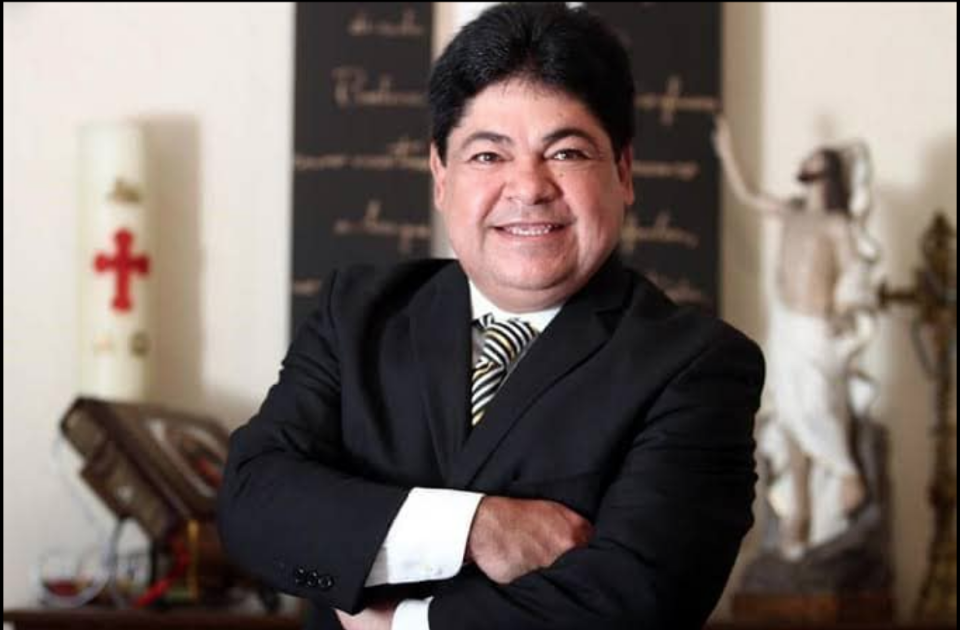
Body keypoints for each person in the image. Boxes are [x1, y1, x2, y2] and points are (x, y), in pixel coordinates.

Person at [219, 5, 764, 629]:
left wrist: (402, 626)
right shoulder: (358, 314)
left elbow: (634, 598)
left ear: (623, 172)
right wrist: (475, 527)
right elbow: (252, 503)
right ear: (440, 176)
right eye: (487, 156)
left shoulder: (698, 366)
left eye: (566, 152)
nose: (528, 187)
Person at [713, 116, 879, 560]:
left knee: (817, 405)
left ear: (828, 174)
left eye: (814, 162)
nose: (805, 167)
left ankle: (847, 474)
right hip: (786, 326)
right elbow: (749, 194)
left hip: (817, 329)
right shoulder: (791, 212)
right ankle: (799, 512)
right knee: (788, 417)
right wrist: (728, 151)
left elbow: (855, 272)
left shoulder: (837, 224)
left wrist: (846, 307)